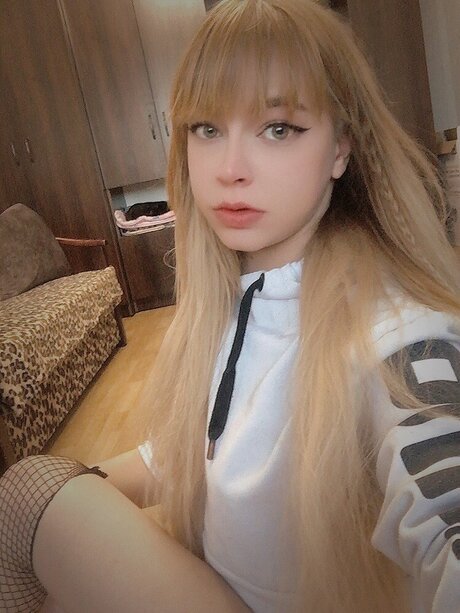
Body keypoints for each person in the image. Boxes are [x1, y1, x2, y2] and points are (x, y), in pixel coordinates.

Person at [1, 0, 460, 611]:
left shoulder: (395, 327)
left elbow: (441, 499)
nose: (230, 169)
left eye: (278, 128)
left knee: (28, 493)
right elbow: (201, 451)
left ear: (341, 149)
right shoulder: (229, 300)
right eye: (207, 128)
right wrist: (82, 485)